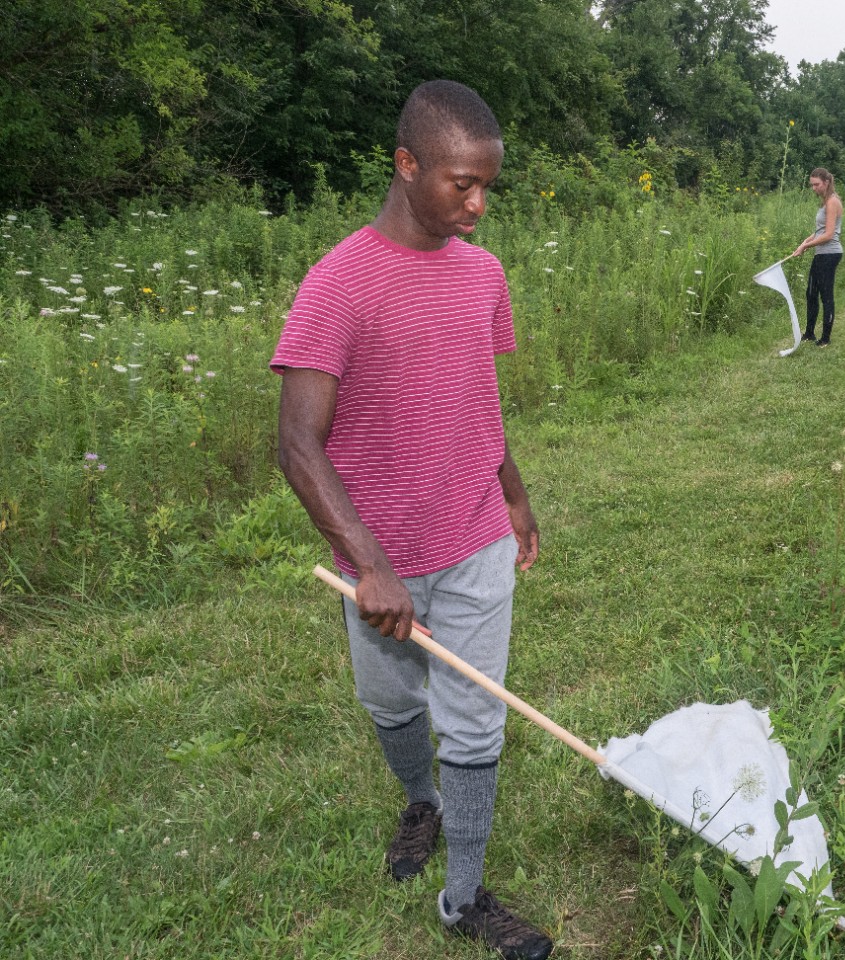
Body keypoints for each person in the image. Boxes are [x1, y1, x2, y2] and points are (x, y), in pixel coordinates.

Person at [272, 79, 553, 960]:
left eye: (487, 188)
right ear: (406, 165)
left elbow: (478, 391)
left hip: (473, 534)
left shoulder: (485, 274)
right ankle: (418, 801)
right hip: (382, 554)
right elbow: (297, 445)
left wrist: (510, 488)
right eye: (460, 184)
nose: (476, 205)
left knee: (475, 718)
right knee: (391, 702)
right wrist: (368, 564)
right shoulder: (338, 284)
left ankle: (464, 896)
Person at [791, 167, 844, 347]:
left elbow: (829, 235)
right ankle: (809, 333)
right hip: (821, 253)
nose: (814, 188)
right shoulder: (825, 201)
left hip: (830, 254)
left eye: (816, 185)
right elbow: (819, 232)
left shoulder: (832, 202)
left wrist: (806, 245)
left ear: (826, 182)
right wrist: (804, 243)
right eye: (811, 185)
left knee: (826, 296)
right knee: (811, 293)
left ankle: (825, 339)